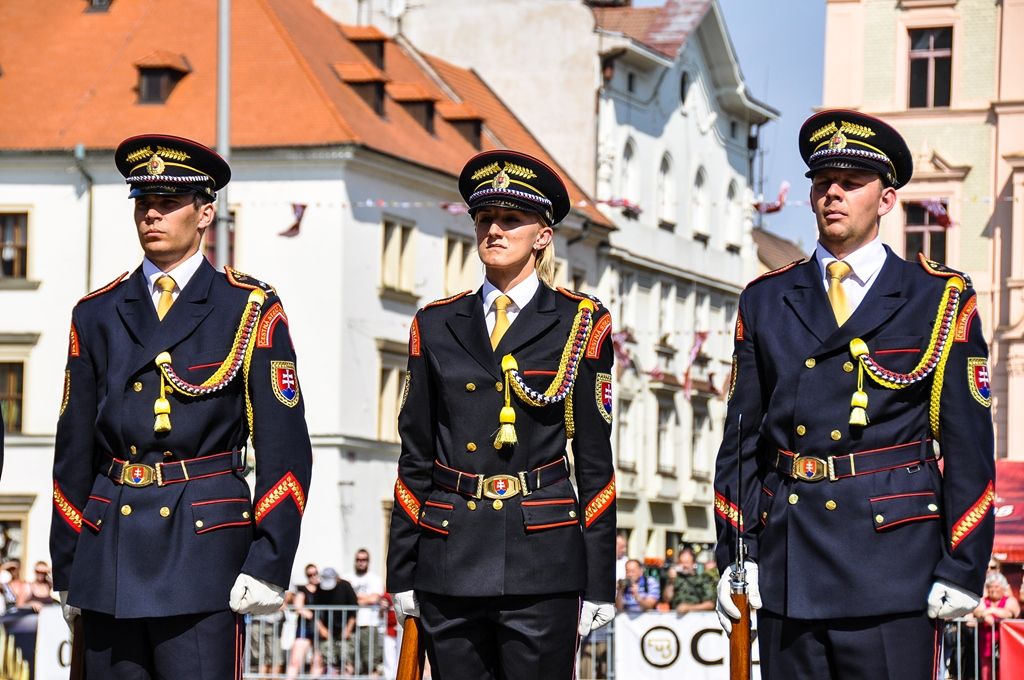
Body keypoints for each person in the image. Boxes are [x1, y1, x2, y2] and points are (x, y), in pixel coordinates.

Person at [713, 110, 995, 680]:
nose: (833, 194)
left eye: (851, 182)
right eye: (823, 182)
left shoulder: (936, 297)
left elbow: (968, 445)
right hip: (790, 561)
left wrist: (964, 565)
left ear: (887, 199)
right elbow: (741, 444)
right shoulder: (766, 299)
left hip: (895, 563)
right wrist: (736, 554)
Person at [49, 134, 313, 679]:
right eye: (143, 203)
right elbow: (72, 448)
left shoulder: (247, 306)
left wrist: (269, 560)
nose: (152, 214)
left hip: (203, 549)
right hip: (110, 550)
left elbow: (284, 443)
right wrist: (68, 564)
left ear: (205, 213)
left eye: (168, 203)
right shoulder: (96, 312)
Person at [385, 149, 617, 679]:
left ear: (543, 235)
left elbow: (595, 463)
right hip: (450, 555)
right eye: (485, 218)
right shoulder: (436, 323)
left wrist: (600, 580)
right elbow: (414, 455)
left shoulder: (579, 322)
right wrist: (401, 569)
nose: (494, 230)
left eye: (511, 219)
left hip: (543, 558)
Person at [974, 571, 1019, 680]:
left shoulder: (1010, 600)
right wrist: (984, 615)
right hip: (986, 642)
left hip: (1006, 643)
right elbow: (977, 612)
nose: (993, 589)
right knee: (986, 671)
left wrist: (990, 611)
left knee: (1005, 669)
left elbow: (1010, 613)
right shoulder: (983, 600)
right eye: (990, 587)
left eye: (996, 586)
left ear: (1003, 588)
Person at [348, 549, 384, 676]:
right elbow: (345, 598)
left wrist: (354, 599)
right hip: (351, 626)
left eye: (364, 560)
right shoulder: (347, 577)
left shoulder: (374, 578)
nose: (361, 562)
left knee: (371, 663)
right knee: (351, 664)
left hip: (369, 624)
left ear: (368, 561)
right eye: (358, 559)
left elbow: (374, 598)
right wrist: (364, 598)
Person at [664, 548, 715, 614]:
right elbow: (667, 599)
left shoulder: (702, 579)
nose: (684, 565)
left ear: (693, 563)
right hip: (675, 617)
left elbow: (710, 604)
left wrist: (689, 608)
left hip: (697, 617)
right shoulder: (675, 578)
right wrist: (671, 581)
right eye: (681, 562)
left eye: (687, 562)